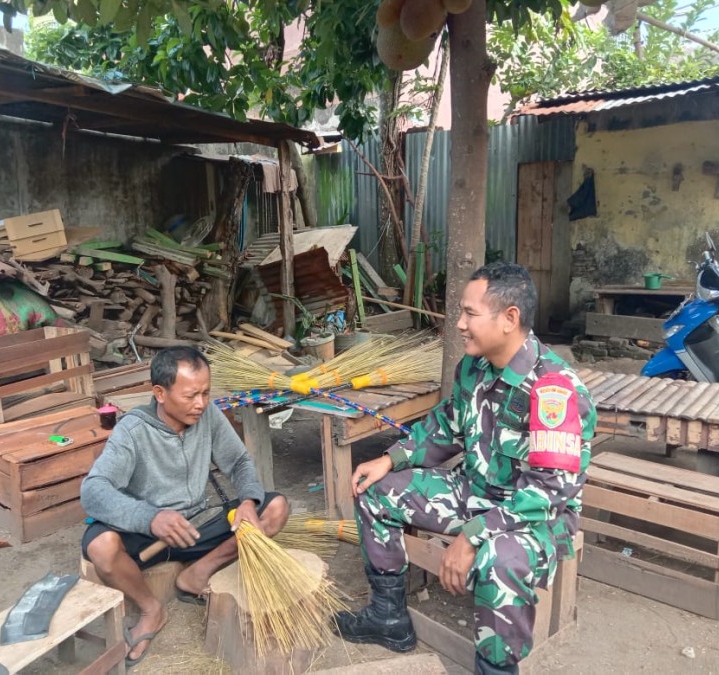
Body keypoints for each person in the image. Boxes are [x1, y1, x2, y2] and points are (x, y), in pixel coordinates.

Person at [334, 262, 596, 675]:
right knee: (375, 489)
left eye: (470, 314)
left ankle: (495, 669)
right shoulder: (473, 369)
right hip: (475, 491)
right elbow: (446, 426)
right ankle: (388, 618)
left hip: (537, 518)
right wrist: (389, 459)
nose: (458, 324)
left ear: (509, 318)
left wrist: (473, 535)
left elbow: (547, 495)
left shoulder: (553, 391)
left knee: (500, 558)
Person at [80, 346, 289, 667]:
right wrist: (150, 518)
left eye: (206, 393)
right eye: (191, 395)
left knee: (275, 508)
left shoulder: (208, 416)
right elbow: (93, 491)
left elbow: (238, 462)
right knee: (101, 546)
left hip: (196, 525)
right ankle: (152, 609)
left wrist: (248, 501)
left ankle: (196, 574)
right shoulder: (132, 431)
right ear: (160, 393)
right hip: (146, 534)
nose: (201, 403)